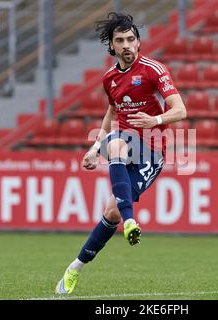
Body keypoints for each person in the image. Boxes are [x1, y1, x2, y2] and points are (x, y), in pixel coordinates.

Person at [55, 12, 187, 295]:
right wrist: (94, 148)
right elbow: (112, 111)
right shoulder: (110, 79)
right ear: (112, 46)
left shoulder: (154, 70)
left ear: (139, 43)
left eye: (131, 39)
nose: (126, 45)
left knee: (111, 211)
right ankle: (130, 221)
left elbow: (181, 110)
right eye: (120, 40)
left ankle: (76, 266)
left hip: (152, 150)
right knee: (115, 144)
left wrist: (155, 120)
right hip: (125, 142)